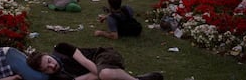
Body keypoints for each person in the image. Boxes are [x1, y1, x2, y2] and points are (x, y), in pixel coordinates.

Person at [27, 42, 163, 80]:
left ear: (48, 54)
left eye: (49, 61)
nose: (52, 66)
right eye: (47, 68)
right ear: (42, 71)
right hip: (96, 74)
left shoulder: (61, 49)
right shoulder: (56, 77)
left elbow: (87, 64)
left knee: (105, 74)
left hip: (102, 56)